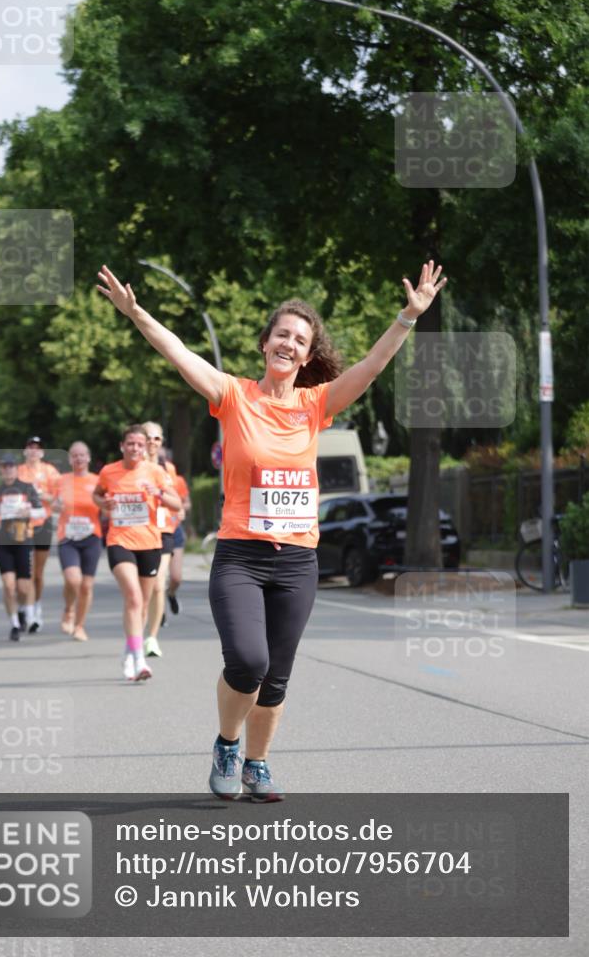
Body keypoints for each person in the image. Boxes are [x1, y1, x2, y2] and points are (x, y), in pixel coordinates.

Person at [98, 260, 446, 801]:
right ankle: (228, 744)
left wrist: (407, 316)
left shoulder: (316, 405)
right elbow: (179, 352)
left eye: (300, 339)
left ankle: (258, 764)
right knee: (249, 661)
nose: (289, 343)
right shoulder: (233, 395)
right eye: (281, 333)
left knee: (277, 675)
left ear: (307, 356)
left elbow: (372, 368)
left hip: (297, 560)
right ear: (265, 344)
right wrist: (136, 311)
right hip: (240, 555)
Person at [92, 424, 182, 681]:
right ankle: (140, 658)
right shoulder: (109, 471)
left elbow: (176, 504)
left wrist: (160, 496)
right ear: (122, 446)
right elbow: (96, 495)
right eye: (130, 443)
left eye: (139, 445)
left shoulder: (156, 472)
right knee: (132, 597)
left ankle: (129, 651)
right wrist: (104, 503)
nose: (135, 448)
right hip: (119, 541)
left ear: (145, 448)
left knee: (141, 604)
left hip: (150, 543)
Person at [53, 440, 103, 642]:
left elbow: (106, 505)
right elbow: (54, 505)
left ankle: (80, 626)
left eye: (82, 455)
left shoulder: (98, 480)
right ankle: (68, 609)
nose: (79, 458)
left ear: (89, 458)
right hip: (68, 537)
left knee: (86, 586)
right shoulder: (61, 481)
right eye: (75, 455)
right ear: (69, 459)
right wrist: (56, 505)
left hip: (91, 537)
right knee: (73, 580)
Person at [141, 422, 179, 657]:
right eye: (147, 437)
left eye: (156, 438)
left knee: (158, 582)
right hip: (139, 532)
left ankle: (152, 638)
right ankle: (137, 632)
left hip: (164, 529)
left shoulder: (168, 468)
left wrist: (176, 508)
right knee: (141, 589)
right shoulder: (133, 466)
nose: (152, 442)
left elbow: (174, 498)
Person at [0, 455, 38, 642]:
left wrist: (30, 512)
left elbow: (41, 510)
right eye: (4, 467)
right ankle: (14, 625)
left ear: (16, 468)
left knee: (23, 588)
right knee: (9, 585)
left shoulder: (27, 487)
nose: (8, 470)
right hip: (3, 542)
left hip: (22, 540)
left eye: (10, 466)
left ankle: (23, 611)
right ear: (0, 470)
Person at [17, 437, 60, 632]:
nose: (34, 451)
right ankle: (26, 608)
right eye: (30, 448)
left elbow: (58, 500)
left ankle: (35, 606)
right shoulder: (18, 471)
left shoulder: (50, 471)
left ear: (42, 452)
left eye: (37, 448)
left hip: (43, 522)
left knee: (38, 573)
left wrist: (41, 495)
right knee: (25, 571)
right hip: (22, 524)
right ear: (25, 451)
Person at [167, 457, 191, 617]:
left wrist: (181, 508)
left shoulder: (177, 480)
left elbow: (187, 503)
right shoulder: (145, 476)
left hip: (174, 530)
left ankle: (170, 594)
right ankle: (157, 611)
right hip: (152, 532)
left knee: (176, 578)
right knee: (155, 580)